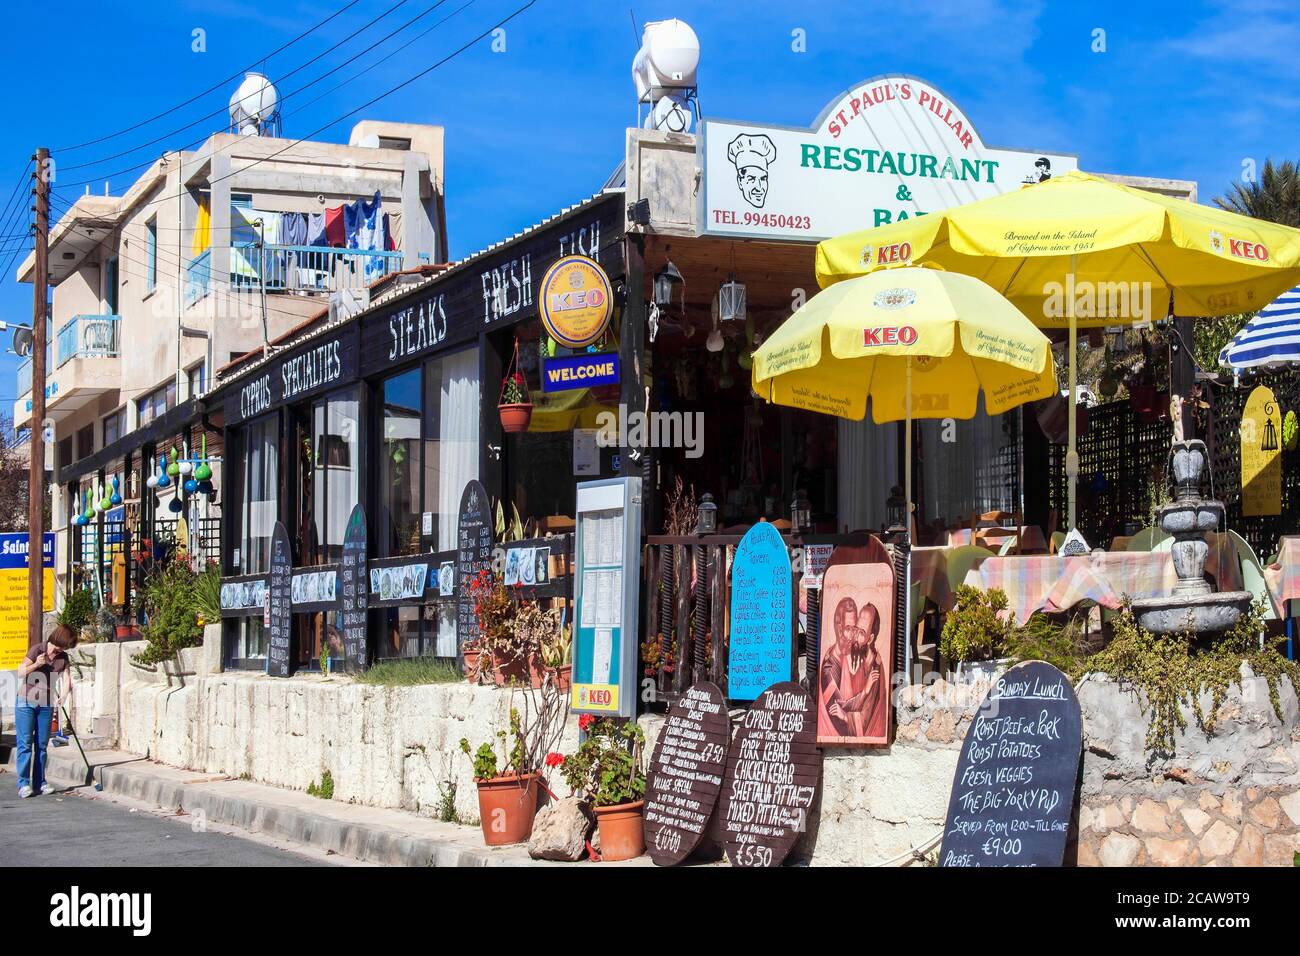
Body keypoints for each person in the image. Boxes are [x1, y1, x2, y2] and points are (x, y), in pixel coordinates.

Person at [14, 625, 78, 798]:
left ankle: (40, 782)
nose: (64, 649)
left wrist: (63, 696)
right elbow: (20, 672)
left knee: (42, 745)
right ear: (58, 639)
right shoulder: (38, 650)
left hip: (46, 704)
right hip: (26, 702)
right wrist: (36, 664)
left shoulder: (63, 657)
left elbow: (66, 680)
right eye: (64, 645)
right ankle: (23, 783)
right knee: (25, 743)